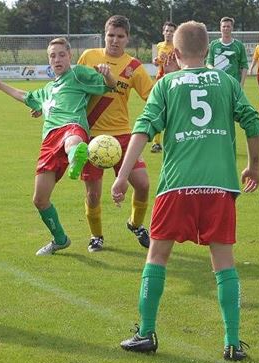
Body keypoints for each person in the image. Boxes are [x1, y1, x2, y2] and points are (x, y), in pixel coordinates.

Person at [111, 21, 259, 361]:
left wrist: (122, 176)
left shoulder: (166, 84)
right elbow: (253, 122)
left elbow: (142, 130)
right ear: (207, 51)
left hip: (176, 186)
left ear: (175, 54)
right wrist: (254, 166)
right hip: (219, 186)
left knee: (157, 257)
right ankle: (232, 343)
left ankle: (146, 333)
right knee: (224, 263)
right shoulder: (225, 82)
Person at [0, 37, 116, 256]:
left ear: (69, 56)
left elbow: (110, 86)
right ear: (49, 60)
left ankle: (76, 157)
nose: (57, 59)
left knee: (72, 140)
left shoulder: (78, 74)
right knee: (40, 199)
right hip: (49, 141)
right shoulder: (46, 90)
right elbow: (24, 96)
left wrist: (107, 72)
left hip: (73, 127)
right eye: (52, 56)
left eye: (61, 54)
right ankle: (60, 239)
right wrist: (0, 85)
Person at [77, 15, 154, 253]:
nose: (115, 40)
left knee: (143, 184)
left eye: (120, 36)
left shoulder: (134, 67)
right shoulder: (89, 57)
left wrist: (168, 76)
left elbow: (153, 97)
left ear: (127, 38)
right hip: (92, 137)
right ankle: (96, 236)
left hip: (122, 136)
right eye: (111, 35)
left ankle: (135, 224)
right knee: (93, 194)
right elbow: (74, 88)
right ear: (104, 34)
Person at [150, 21, 177, 153]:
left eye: (171, 31)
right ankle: (156, 143)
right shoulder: (160, 45)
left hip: (174, 82)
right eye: (167, 31)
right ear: (163, 32)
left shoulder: (177, 46)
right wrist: (156, 61)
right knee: (159, 110)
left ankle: (174, 141)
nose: (169, 33)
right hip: (160, 81)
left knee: (173, 111)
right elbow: (156, 63)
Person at [206, 17, 248, 87]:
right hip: (217, 83)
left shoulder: (239, 45)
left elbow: (244, 66)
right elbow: (209, 63)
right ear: (220, 28)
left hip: (234, 83)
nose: (226, 29)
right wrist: (213, 70)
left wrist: (241, 84)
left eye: (228, 26)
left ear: (232, 28)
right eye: (224, 26)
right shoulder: (214, 44)